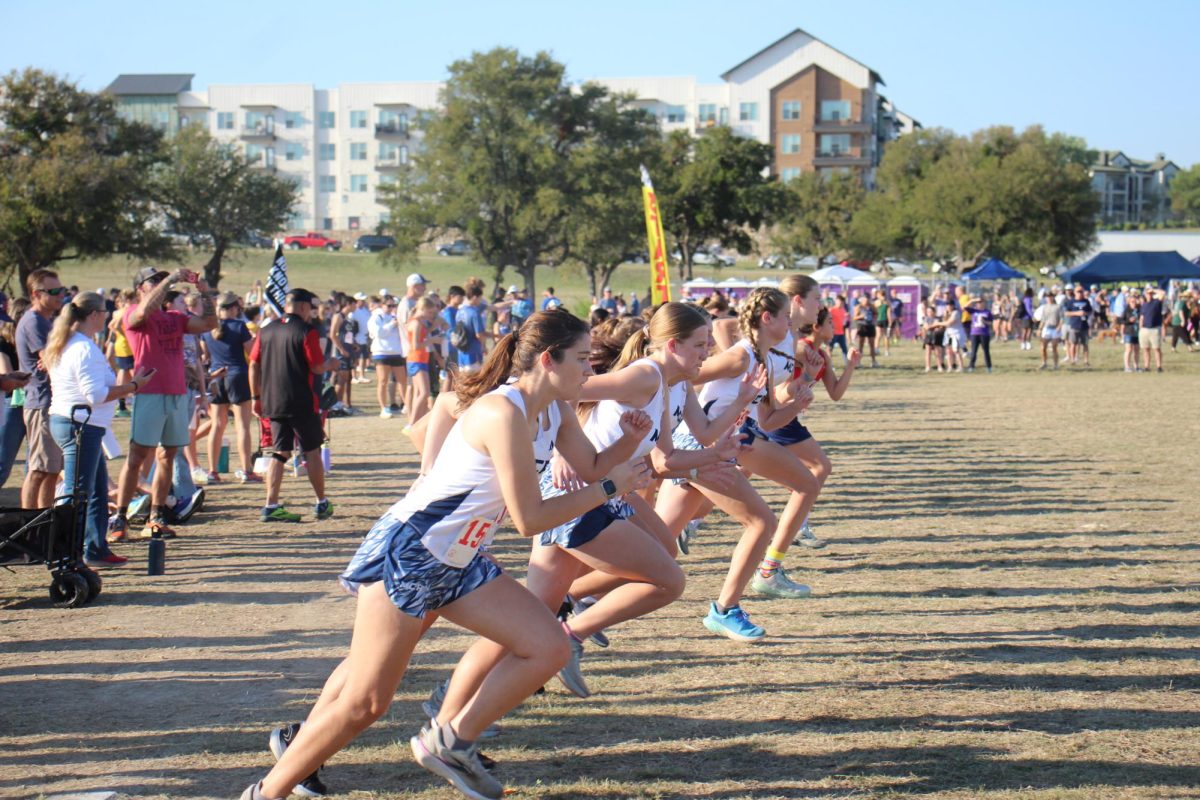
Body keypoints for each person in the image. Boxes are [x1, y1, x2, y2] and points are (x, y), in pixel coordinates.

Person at [242, 310, 651, 800]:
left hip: (460, 557)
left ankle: (451, 742)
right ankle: (268, 792)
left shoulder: (556, 408)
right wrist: (611, 486)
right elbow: (530, 519)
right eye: (583, 359)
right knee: (366, 701)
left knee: (549, 646)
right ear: (548, 359)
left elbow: (588, 467)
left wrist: (628, 442)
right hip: (413, 552)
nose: (592, 371)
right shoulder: (503, 412)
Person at [108, 267, 218, 541]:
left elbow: (209, 324)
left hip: (177, 393)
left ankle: (156, 516)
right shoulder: (133, 313)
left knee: (167, 455)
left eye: (161, 279)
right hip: (150, 393)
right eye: (154, 280)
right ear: (140, 288)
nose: (160, 283)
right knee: (136, 458)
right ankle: (120, 517)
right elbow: (144, 312)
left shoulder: (175, 317)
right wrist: (170, 280)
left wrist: (205, 293)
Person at [44, 292, 153, 568]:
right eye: (105, 312)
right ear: (93, 315)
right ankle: (70, 554)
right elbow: (95, 394)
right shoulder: (83, 348)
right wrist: (134, 386)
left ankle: (94, 548)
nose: (107, 318)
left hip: (78, 423)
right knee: (78, 492)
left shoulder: (71, 342)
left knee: (95, 491)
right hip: (80, 426)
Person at [249, 289, 340, 523]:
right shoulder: (306, 331)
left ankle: (270, 504)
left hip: (272, 400)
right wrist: (331, 364)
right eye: (310, 308)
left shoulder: (266, 329)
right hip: (302, 400)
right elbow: (317, 367)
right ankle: (321, 502)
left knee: (280, 452)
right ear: (301, 307)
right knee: (311, 451)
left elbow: (253, 364)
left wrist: (255, 397)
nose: (312, 313)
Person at [17, 268, 67, 509]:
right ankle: (28, 528)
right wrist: (57, 358)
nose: (60, 295)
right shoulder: (34, 321)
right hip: (41, 402)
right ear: (36, 294)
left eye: (62, 290)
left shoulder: (45, 321)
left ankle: (43, 526)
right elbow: (49, 361)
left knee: (51, 470)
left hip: (51, 402)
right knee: (39, 470)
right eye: (54, 291)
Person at [202, 292, 257, 483]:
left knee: (217, 425)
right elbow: (252, 352)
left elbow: (205, 356)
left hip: (217, 376)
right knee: (242, 426)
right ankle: (246, 470)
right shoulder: (239, 326)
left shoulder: (208, 329)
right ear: (234, 308)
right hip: (237, 375)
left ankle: (212, 471)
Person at [0, 298, 31, 489]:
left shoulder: (30, 341)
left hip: (34, 403)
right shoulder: (3, 344)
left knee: (34, 464)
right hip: (14, 405)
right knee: (3, 464)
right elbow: (6, 376)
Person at [404, 296, 443, 428]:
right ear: (423, 309)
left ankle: (416, 422)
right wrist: (433, 340)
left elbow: (421, 337)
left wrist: (431, 331)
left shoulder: (419, 323)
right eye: (430, 312)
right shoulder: (416, 323)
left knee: (419, 393)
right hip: (416, 359)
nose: (431, 315)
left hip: (420, 359)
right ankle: (412, 423)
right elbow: (415, 345)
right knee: (424, 392)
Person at [368, 296, 405, 418]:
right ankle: (384, 408)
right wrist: (391, 324)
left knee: (402, 381)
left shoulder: (395, 316)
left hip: (396, 352)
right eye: (389, 305)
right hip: (381, 352)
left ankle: (406, 404)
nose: (391, 308)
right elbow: (379, 333)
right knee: (383, 380)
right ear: (382, 305)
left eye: (393, 305)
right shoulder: (376, 317)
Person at [1138, 288, 1165, 372]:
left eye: (1150, 294)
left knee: (1156, 348)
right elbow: (1142, 317)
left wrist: (1153, 290)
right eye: (1147, 294)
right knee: (1145, 349)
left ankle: (1159, 366)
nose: (1149, 295)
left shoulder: (1156, 302)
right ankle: (1147, 366)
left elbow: (1163, 293)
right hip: (1144, 329)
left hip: (1154, 328)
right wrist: (1140, 327)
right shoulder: (1144, 305)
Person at [1064, 286, 1092, 367]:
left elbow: (1090, 311)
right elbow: (1066, 313)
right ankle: (1073, 360)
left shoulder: (1086, 301)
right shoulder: (1071, 301)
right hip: (1074, 325)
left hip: (1084, 325)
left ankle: (1086, 361)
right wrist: (1077, 313)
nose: (1080, 293)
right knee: (1073, 343)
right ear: (1075, 292)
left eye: (1081, 292)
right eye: (1078, 292)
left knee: (1085, 344)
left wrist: (1085, 313)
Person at [1035, 293, 1064, 370]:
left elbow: (1062, 318)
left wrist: (1059, 326)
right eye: (1047, 297)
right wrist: (1039, 329)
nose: (1048, 298)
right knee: (1043, 346)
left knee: (1054, 347)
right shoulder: (1044, 307)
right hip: (1047, 328)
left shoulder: (1058, 307)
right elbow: (1043, 319)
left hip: (1055, 328)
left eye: (1050, 297)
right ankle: (1044, 363)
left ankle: (1055, 364)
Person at [965, 296, 994, 372]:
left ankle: (989, 367)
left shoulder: (987, 312)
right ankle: (971, 366)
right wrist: (973, 300)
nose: (979, 304)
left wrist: (984, 321)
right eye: (978, 303)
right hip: (974, 333)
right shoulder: (974, 311)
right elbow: (965, 307)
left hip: (984, 334)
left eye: (981, 302)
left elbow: (991, 323)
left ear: (984, 303)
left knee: (986, 351)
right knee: (974, 351)